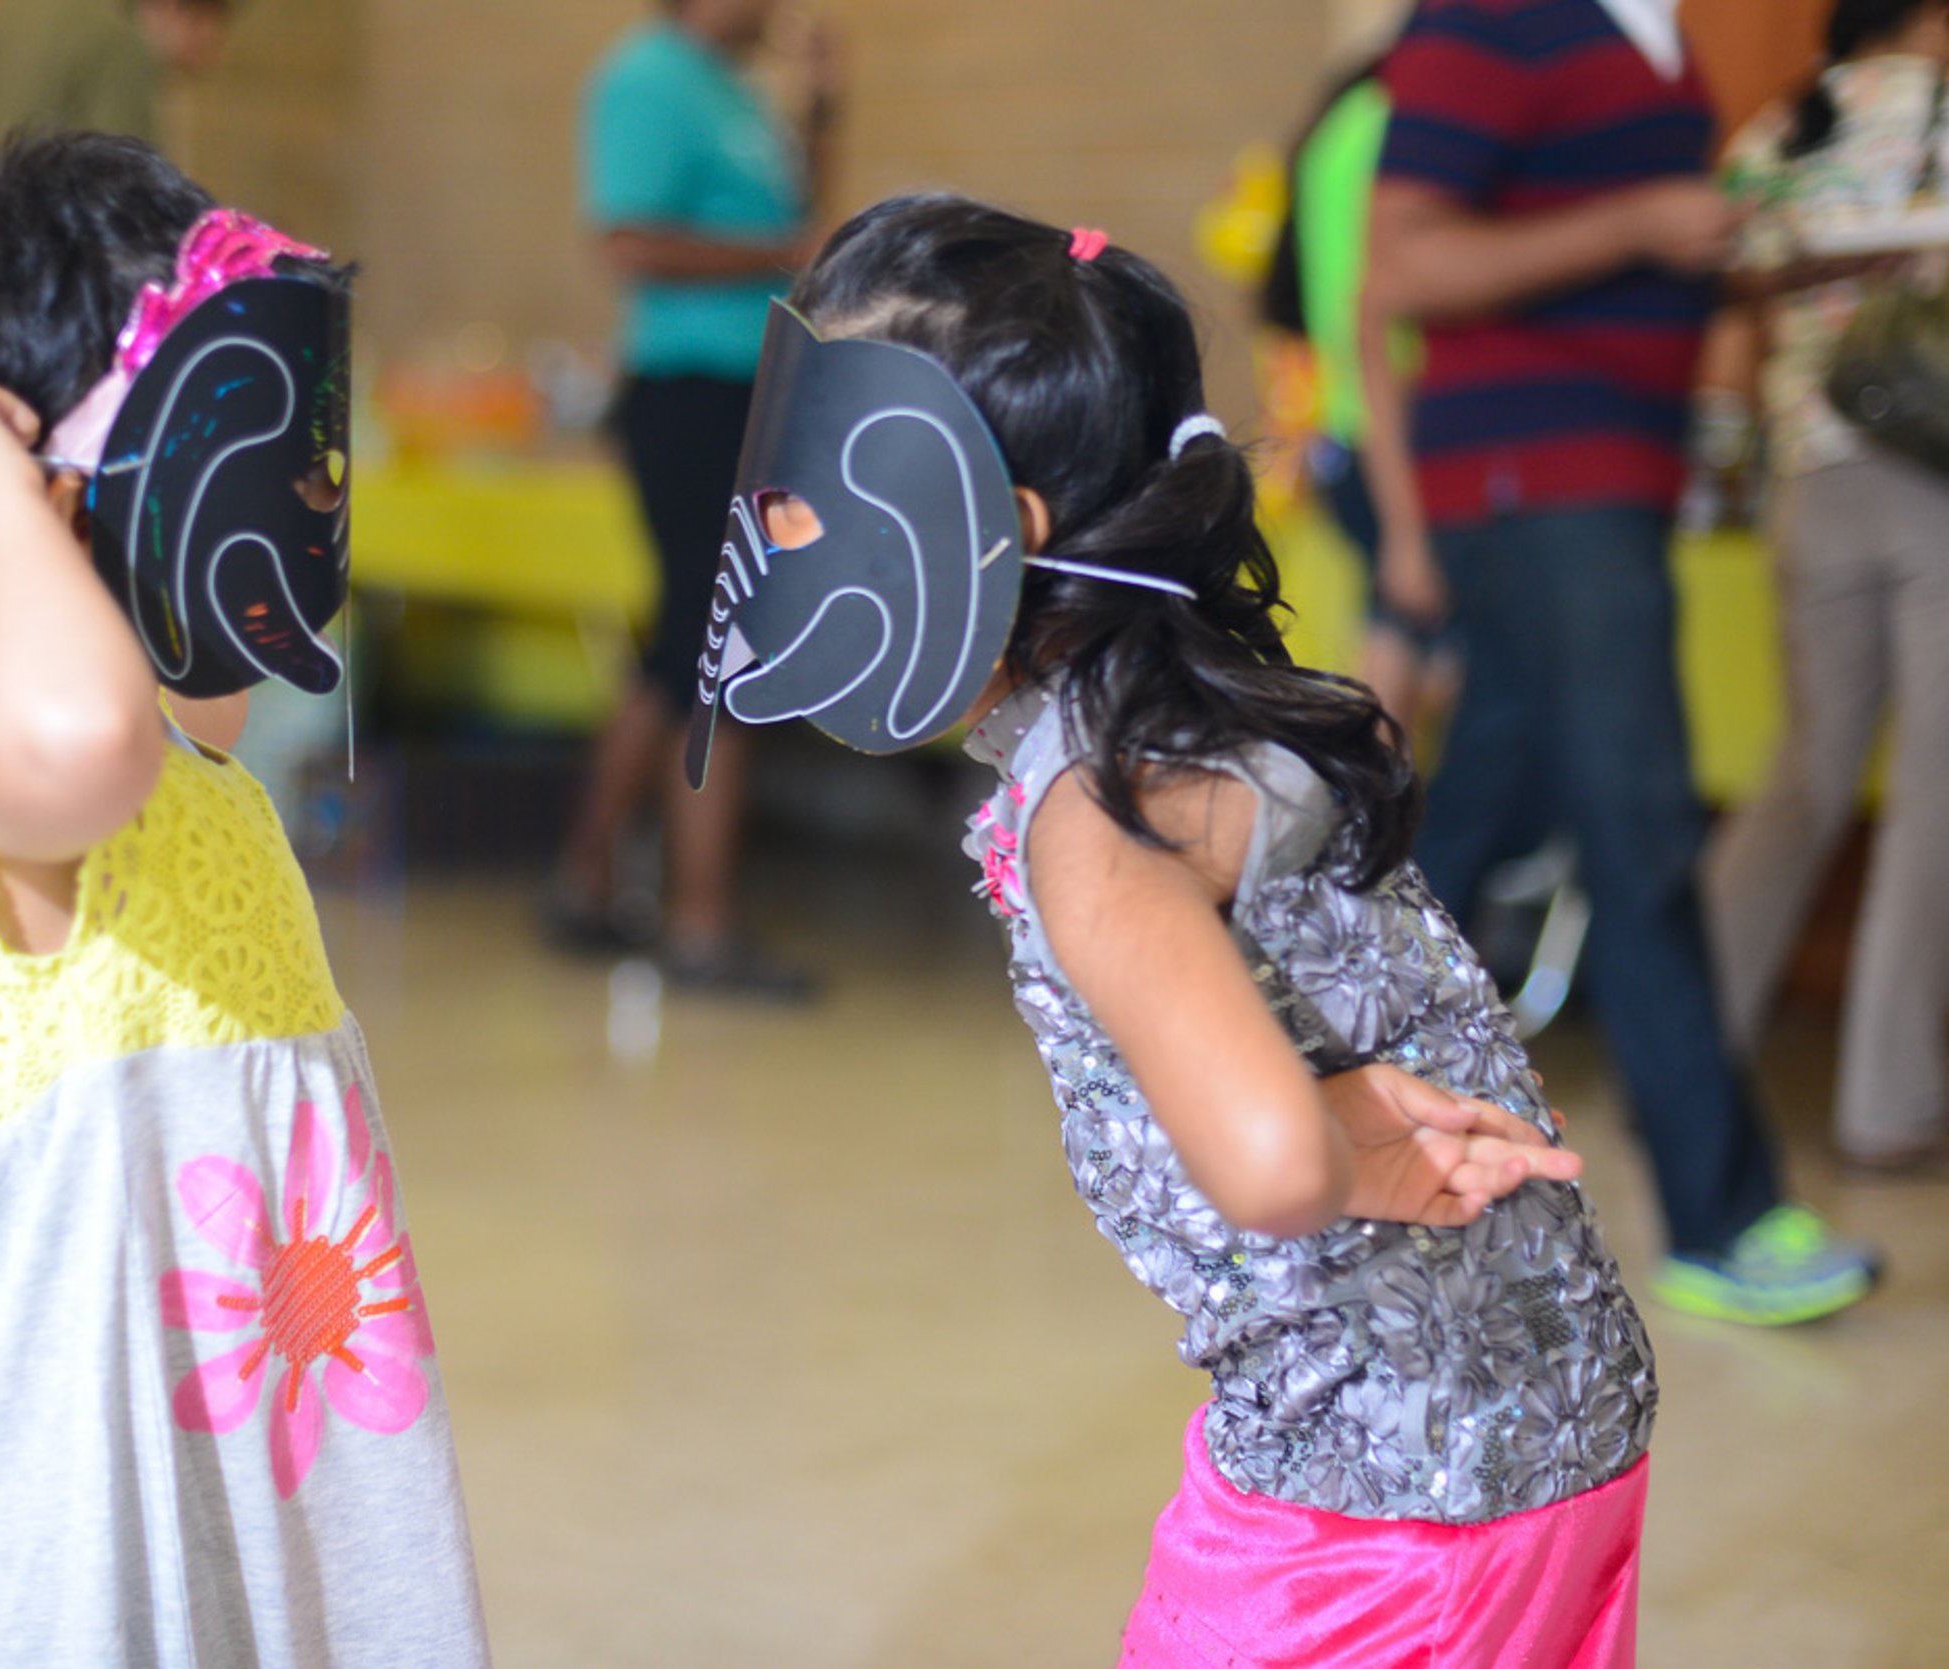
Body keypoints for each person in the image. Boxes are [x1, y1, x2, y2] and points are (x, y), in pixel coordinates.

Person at [702, 190, 1654, 1666]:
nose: (766, 532)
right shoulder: (1182, 711)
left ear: (978, 533)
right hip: (1546, 1427)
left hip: (1388, 1501)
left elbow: (1271, 1165)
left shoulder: (1095, 818)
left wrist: (1330, 1134)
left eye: (801, 494)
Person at [0, 134, 488, 1666]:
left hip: (265, 1482)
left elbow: (166, 695)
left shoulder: (197, 777)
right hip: (90, 1530)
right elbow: (84, 730)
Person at [1367, 0, 1883, 1322]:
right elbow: (1405, 266)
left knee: (1482, 811)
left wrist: (1761, 255)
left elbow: (1643, 259)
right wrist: (1645, 225)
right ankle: (1720, 1215)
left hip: (1607, 481)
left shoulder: (1653, 35)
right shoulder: (1495, 19)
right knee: (1641, 828)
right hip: (1535, 485)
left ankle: (1298, 1083)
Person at [548, 0, 839, 997]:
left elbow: (803, 232)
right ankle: (700, 926)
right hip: (687, 395)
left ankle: (584, 878)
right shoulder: (646, 78)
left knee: (684, 647)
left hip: (749, 393)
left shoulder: (734, 87)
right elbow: (628, 241)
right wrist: (779, 250)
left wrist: (824, 111)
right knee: (717, 650)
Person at [1706, 0, 1949, 1174]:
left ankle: (1691, 1047)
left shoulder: (1773, 134)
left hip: (1808, 485)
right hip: (1931, 481)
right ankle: (1887, 1104)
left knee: (1806, 777)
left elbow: (1734, 298)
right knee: (1932, 798)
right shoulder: (1935, 113)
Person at [1265, 45, 1455, 736]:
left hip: (1348, 422)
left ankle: (1369, 818)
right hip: (1395, 422)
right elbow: (1379, 306)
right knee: (1429, 643)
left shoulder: (1342, 122)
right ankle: (1376, 815)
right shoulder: (1399, 127)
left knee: (1395, 630)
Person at [0, 0, 231, 158]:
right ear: (172, 7)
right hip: (58, 243)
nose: (213, 53)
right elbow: (128, 179)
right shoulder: (118, 38)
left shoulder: (4, 15)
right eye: (208, 26)